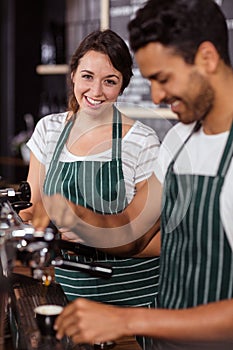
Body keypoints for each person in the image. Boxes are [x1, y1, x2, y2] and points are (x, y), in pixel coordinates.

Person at [39, 0, 233, 349]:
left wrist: (126, 318)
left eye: (163, 78)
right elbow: (132, 230)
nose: (157, 97)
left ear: (206, 58)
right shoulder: (178, 140)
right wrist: (78, 217)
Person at [21, 29, 161, 349]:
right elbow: (32, 206)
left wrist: (85, 226)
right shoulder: (50, 130)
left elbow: (149, 235)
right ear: (73, 76)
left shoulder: (141, 140)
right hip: (68, 293)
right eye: (87, 76)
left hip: (129, 302)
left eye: (109, 81)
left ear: (122, 85)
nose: (95, 91)